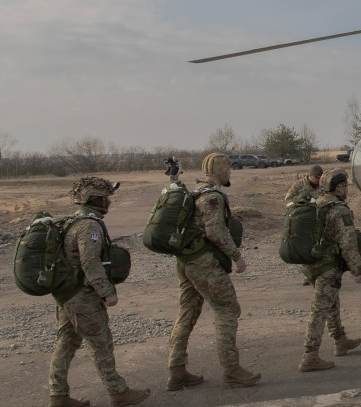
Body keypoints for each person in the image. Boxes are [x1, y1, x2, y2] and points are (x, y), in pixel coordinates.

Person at [48, 177, 150, 407]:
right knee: (101, 343)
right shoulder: (89, 226)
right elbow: (90, 262)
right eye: (105, 198)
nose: (108, 202)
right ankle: (117, 392)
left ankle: (58, 395)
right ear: (94, 199)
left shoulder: (72, 222)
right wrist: (107, 292)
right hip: (82, 297)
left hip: (67, 295)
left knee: (66, 343)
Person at [166, 152, 261, 390]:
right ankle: (231, 370)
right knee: (227, 310)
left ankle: (177, 370)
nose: (230, 172)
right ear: (219, 170)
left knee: (187, 313)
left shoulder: (196, 191)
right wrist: (237, 257)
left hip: (186, 262)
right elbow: (215, 231)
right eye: (227, 168)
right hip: (203, 264)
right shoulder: (212, 197)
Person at [298, 168, 361, 372]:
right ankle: (310, 356)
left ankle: (340, 340)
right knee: (319, 309)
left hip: (312, 264)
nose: (347, 190)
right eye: (345, 186)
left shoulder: (317, 203)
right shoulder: (339, 210)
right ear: (339, 187)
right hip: (327, 267)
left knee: (331, 303)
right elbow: (348, 243)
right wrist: (357, 270)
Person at [286, 165, 324, 286]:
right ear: (310, 176)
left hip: (320, 220)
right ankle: (308, 275)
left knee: (321, 246)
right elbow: (288, 200)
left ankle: (321, 273)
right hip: (305, 221)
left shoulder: (323, 185)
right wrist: (301, 203)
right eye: (317, 177)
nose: (319, 180)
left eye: (320, 177)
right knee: (306, 246)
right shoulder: (299, 185)